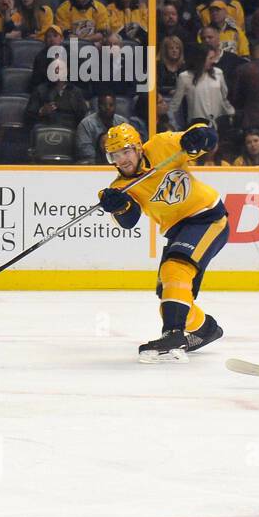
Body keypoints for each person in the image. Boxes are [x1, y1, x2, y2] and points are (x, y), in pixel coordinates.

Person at [98, 122, 226, 361]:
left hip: (207, 216)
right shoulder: (118, 188)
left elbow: (204, 139)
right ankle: (206, 329)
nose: (122, 159)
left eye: (126, 151)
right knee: (169, 294)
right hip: (178, 229)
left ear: (138, 148)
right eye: (115, 155)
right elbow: (129, 220)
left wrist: (199, 135)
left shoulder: (160, 146)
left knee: (175, 269)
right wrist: (119, 205)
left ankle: (173, 335)